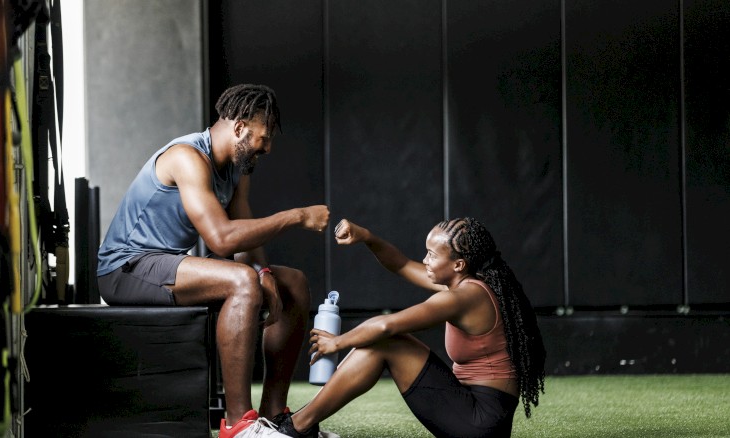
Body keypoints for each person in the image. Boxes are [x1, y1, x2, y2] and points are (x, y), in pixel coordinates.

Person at [97, 84, 330, 438]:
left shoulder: (237, 168)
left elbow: (243, 231)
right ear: (239, 128)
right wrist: (296, 216)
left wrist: (264, 271)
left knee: (293, 283)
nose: (268, 148)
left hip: (168, 265)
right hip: (126, 268)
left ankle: (274, 416)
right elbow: (221, 239)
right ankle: (238, 425)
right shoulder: (187, 158)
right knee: (241, 281)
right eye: (264, 138)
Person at [276, 217, 547, 438]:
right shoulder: (465, 283)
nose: (425, 260)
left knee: (388, 341)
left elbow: (386, 325)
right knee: (388, 341)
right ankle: (300, 425)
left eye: (432, 255)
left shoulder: (464, 297)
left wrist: (337, 342)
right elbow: (402, 264)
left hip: (481, 420)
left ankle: (295, 428)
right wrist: (367, 237)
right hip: (478, 410)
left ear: (458, 264)